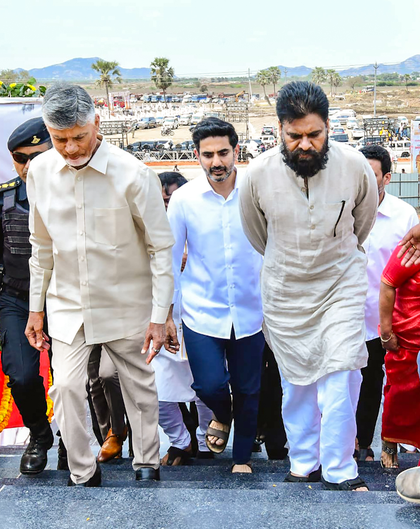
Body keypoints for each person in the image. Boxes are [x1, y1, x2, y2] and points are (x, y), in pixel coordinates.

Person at [24, 82, 175, 486]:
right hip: (67, 304)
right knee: (66, 388)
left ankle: (147, 461)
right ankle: (82, 470)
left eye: (79, 137)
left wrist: (159, 315)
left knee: (138, 387)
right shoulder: (39, 172)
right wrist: (35, 309)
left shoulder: (134, 174)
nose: (71, 148)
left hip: (127, 301)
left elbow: (161, 248)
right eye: (60, 139)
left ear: (97, 124)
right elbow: (41, 246)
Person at [239, 81, 378, 491]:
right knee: (296, 382)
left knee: (340, 374)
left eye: (314, 134)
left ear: (328, 127)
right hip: (285, 292)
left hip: (340, 285)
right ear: (279, 129)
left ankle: (340, 467)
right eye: (294, 135)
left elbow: (363, 222)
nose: (304, 145)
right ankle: (303, 461)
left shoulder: (354, 165)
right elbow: (257, 234)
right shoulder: (258, 173)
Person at [165, 117, 265, 474]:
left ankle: (242, 458)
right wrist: (167, 315)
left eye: (223, 152)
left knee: (249, 388)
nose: (216, 161)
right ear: (197, 156)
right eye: (208, 155)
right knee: (208, 384)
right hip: (201, 310)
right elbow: (170, 258)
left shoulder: (256, 191)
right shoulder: (184, 199)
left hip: (252, 309)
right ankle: (223, 412)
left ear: (236, 151)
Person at [0, 118, 54, 475]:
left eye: (38, 156)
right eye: (21, 158)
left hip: (66, 300)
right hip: (16, 299)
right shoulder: (2, 199)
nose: (29, 166)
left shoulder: (75, 193)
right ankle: (40, 435)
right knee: (20, 375)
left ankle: (75, 443)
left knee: (74, 379)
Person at [355, 145, 418, 462]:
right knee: (348, 383)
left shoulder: (404, 216)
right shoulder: (343, 210)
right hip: (346, 313)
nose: (365, 181)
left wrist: (393, 326)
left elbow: (409, 269)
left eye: (372, 174)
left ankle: (373, 444)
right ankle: (352, 444)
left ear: (387, 178)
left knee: (382, 382)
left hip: (389, 320)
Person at [155, 171, 213, 465]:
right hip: (158, 318)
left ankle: (205, 441)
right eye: (163, 201)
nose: (168, 206)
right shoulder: (146, 228)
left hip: (201, 316)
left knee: (206, 388)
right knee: (157, 390)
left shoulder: (204, 223)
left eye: (173, 200)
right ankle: (180, 441)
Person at [378, 242, 420, 468]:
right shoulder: (413, 247)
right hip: (407, 339)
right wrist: (386, 333)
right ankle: (390, 441)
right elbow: (387, 283)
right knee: (400, 395)